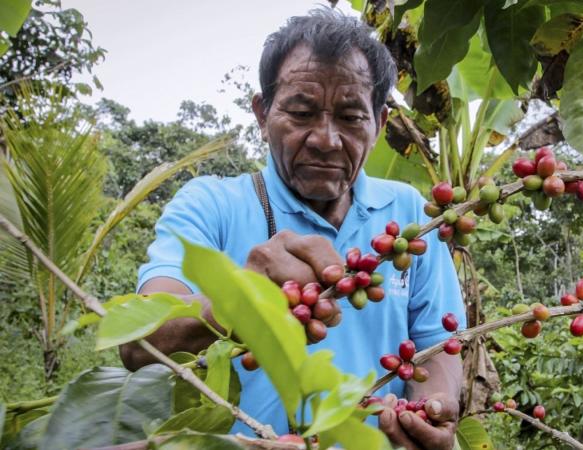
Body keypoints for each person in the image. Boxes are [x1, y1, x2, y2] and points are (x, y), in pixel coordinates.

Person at [119, 9, 466, 450]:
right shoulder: (210, 205)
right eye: (301, 113)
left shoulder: (409, 213)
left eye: (350, 117)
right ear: (263, 115)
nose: (326, 139)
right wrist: (238, 301)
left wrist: (431, 408)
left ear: (378, 125)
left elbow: (436, 342)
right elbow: (136, 343)